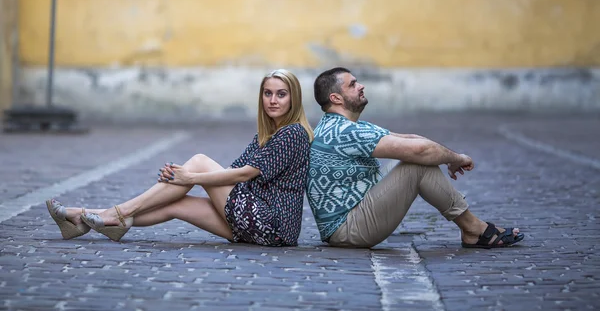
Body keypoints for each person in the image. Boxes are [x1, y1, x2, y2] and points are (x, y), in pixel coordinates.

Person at [47, 69, 314, 247]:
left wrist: (190, 177)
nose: (273, 100)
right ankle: (81, 218)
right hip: (257, 223)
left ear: (294, 98)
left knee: (198, 161)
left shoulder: (293, 133)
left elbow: (244, 174)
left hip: (272, 225)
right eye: (268, 93)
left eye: (281, 94)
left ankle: (121, 211)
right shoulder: (266, 135)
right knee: (177, 204)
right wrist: (181, 181)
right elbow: (232, 171)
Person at [306, 67, 524, 249]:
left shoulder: (341, 125)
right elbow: (419, 151)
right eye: (352, 85)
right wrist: (456, 157)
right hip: (347, 230)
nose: (361, 86)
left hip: (349, 218)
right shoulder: (346, 131)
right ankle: (474, 229)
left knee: (416, 160)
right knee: (416, 165)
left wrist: (447, 157)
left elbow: (410, 139)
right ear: (335, 98)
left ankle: (472, 228)